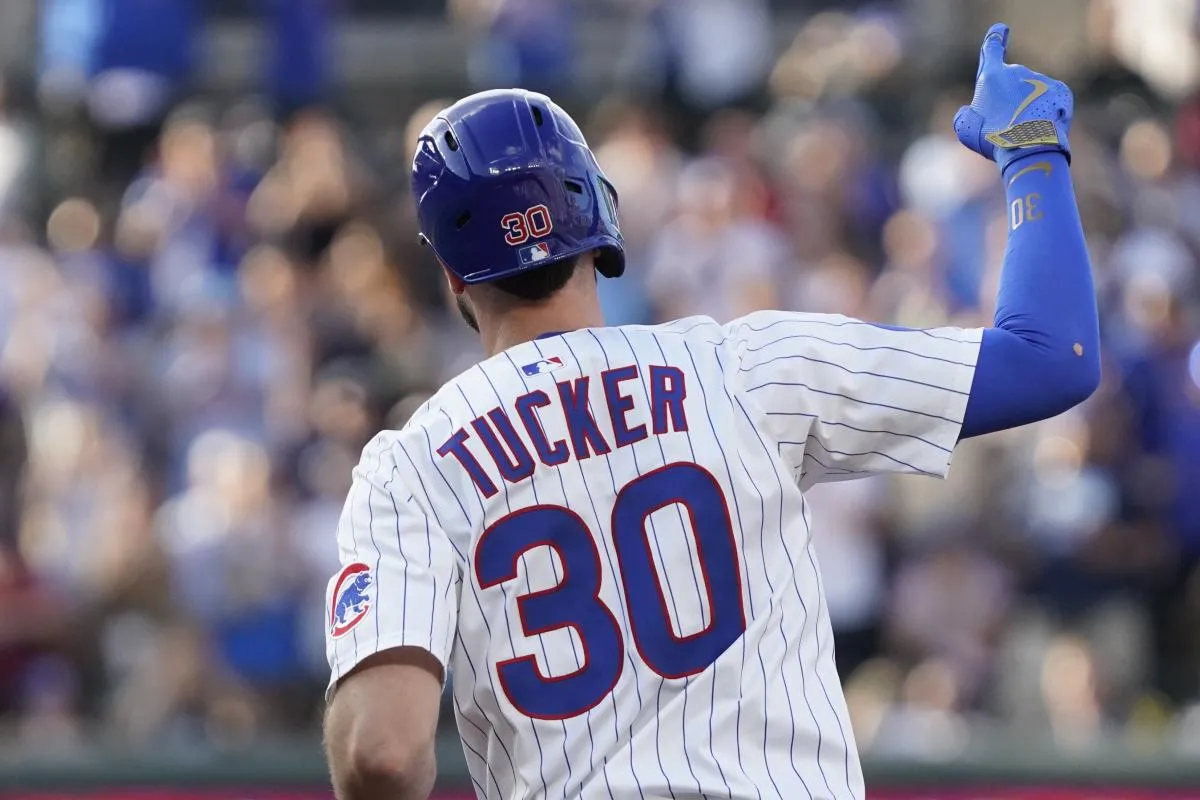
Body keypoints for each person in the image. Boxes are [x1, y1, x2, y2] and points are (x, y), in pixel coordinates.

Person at [322, 23, 1099, 800]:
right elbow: (1049, 356)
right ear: (600, 216)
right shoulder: (741, 368)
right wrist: (1030, 148)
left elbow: (381, 754)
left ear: (452, 273)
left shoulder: (414, 464)